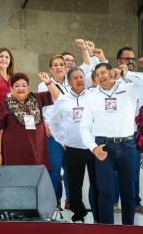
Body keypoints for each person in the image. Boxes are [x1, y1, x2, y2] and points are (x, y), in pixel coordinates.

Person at [80, 62, 143, 225]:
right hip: (103, 147)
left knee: (128, 193)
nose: (100, 76)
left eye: (103, 72)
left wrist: (125, 75)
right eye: (97, 74)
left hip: (128, 146)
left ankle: (128, 228)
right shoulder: (91, 95)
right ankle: (106, 229)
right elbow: (84, 127)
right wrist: (94, 148)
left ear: (112, 72)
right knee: (105, 193)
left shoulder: (129, 88)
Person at [49, 67, 99, 223]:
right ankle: (79, 214)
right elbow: (54, 123)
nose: (80, 80)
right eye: (76, 78)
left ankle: (98, 215)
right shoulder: (62, 100)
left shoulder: (93, 97)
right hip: (73, 148)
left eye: (82, 77)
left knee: (97, 184)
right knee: (74, 185)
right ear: (69, 82)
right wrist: (63, 141)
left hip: (93, 148)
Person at [0, 72, 59, 168]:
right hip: (15, 154)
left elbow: (56, 96)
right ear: (11, 89)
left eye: (24, 85)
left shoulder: (36, 98)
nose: (21, 88)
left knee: (36, 178)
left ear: (28, 88)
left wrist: (48, 82)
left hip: (37, 151)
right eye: (17, 86)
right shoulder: (5, 104)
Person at [114, 46, 143, 214]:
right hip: (115, 130)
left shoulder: (137, 78)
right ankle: (114, 202)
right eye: (127, 59)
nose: (130, 62)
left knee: (132, 169)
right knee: (116, 169)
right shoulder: (114, 78)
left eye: (133, 59)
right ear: (119, 61)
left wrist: (127, 73)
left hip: (134, 132)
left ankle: (134, 202)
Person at [38, 55, 69, 210]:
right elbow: (39, 107)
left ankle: (70, 201)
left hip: (70, 134)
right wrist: (44, 123)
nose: (58, 67)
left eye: (61, 64)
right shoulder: (44, 85)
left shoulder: (71, 85)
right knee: (54, 169)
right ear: (50, 69)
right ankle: (53, 202)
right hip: (53, 133)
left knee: (69, 170)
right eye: (55, 65)